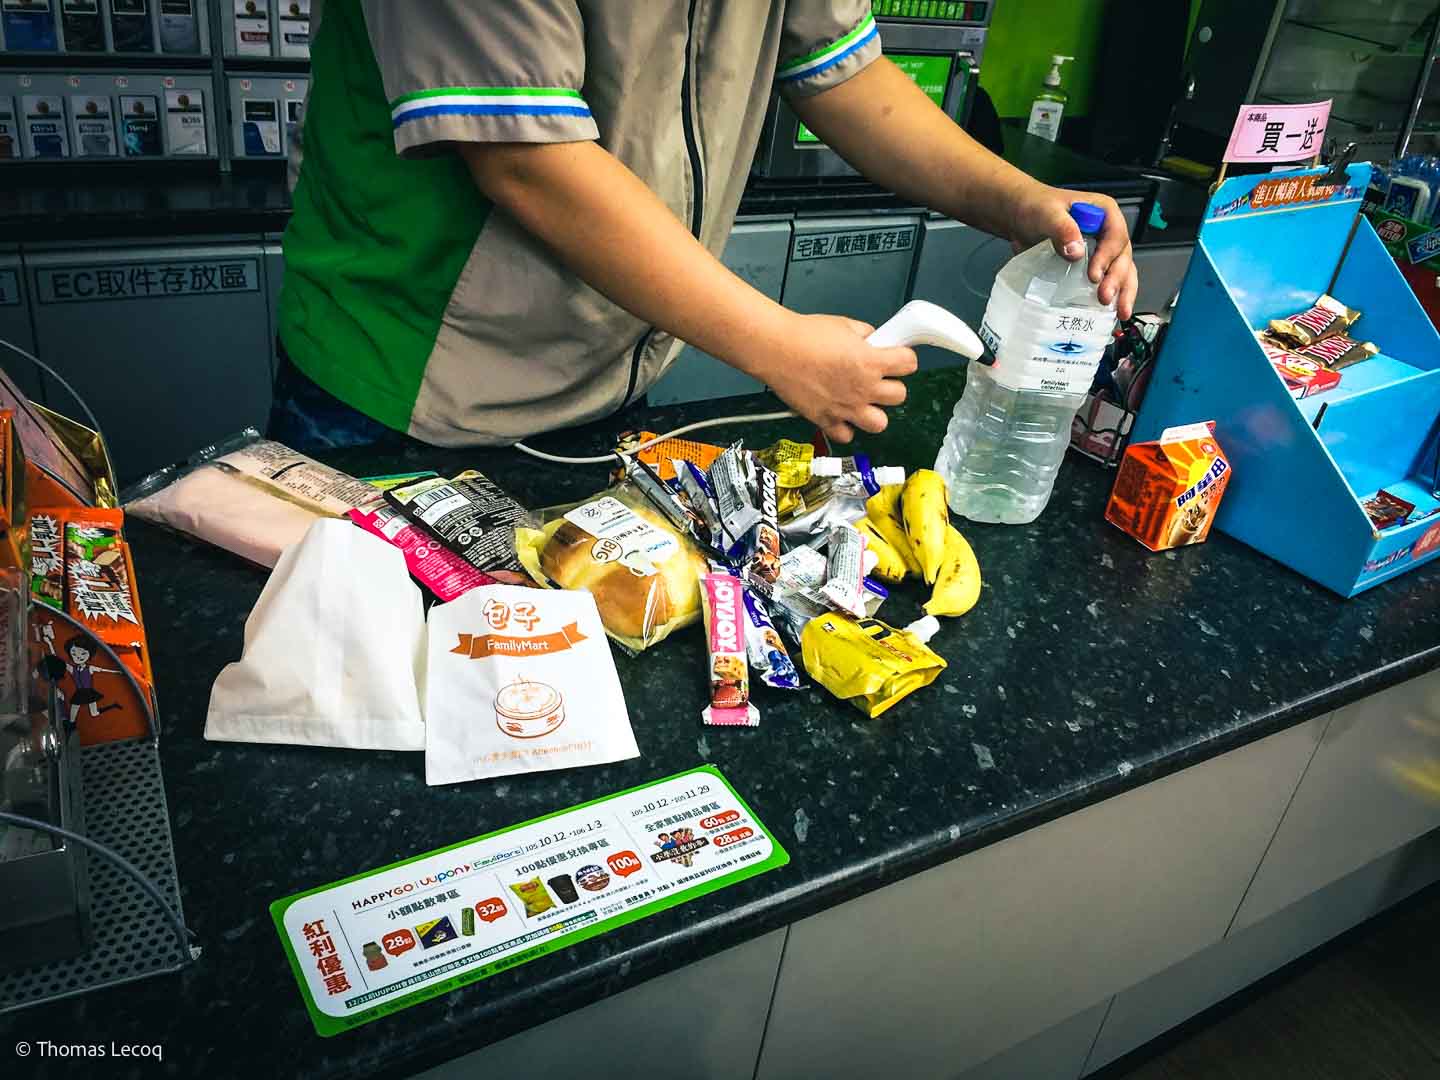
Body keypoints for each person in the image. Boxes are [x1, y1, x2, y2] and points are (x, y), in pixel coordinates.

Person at [273, 2, 1138, 453]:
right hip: (409, 378)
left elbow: (842, 71)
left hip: (604, 364)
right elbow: (526, 157)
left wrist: (1019, 199)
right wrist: (780, 346)